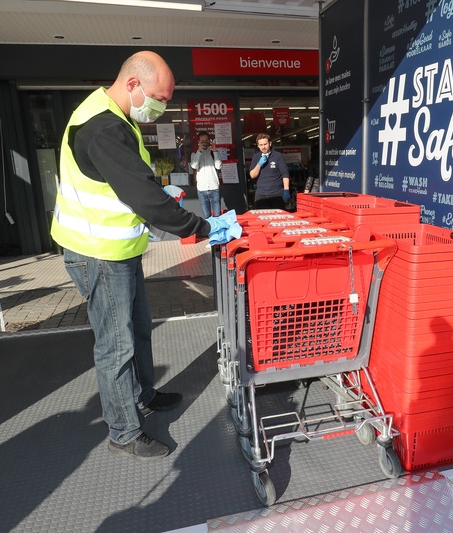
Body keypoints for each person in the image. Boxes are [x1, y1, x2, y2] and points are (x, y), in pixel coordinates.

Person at [50, 51, 233, 461]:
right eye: (159, 98)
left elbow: (128, 183)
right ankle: (123, 431)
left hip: (120, 250)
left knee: (138, 330)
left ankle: (144, 395)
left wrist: (156, 191)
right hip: (98, 255)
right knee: (116, 345)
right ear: (133, 84)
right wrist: (204, 227)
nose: (162, 107)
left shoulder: (117, 116)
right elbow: (144, 198)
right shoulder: (101, 127)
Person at [248, 133, 290, 209]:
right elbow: (252, 175)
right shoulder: (256, 157)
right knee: (262, 219)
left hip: (276, 194)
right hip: (261, 195)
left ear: (270, 143)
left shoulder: (278, 156)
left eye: (265, 144)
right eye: (261, 145)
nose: (263, 147)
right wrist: (259, 164)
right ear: (258, 146)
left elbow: (285, 174)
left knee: (278, 219)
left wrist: (286, 190)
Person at [190, 131, 222, 217]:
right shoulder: (194, 154)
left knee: (217, 215)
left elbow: (219, 166)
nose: (204, 142)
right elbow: (194, 166)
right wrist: (199, 151)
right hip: (202, 189)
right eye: (202, 141)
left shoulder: (213, 152)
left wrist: (215, 151)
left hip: (214, 187)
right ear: (198, 142)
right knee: (207, 216)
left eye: (206, 140)